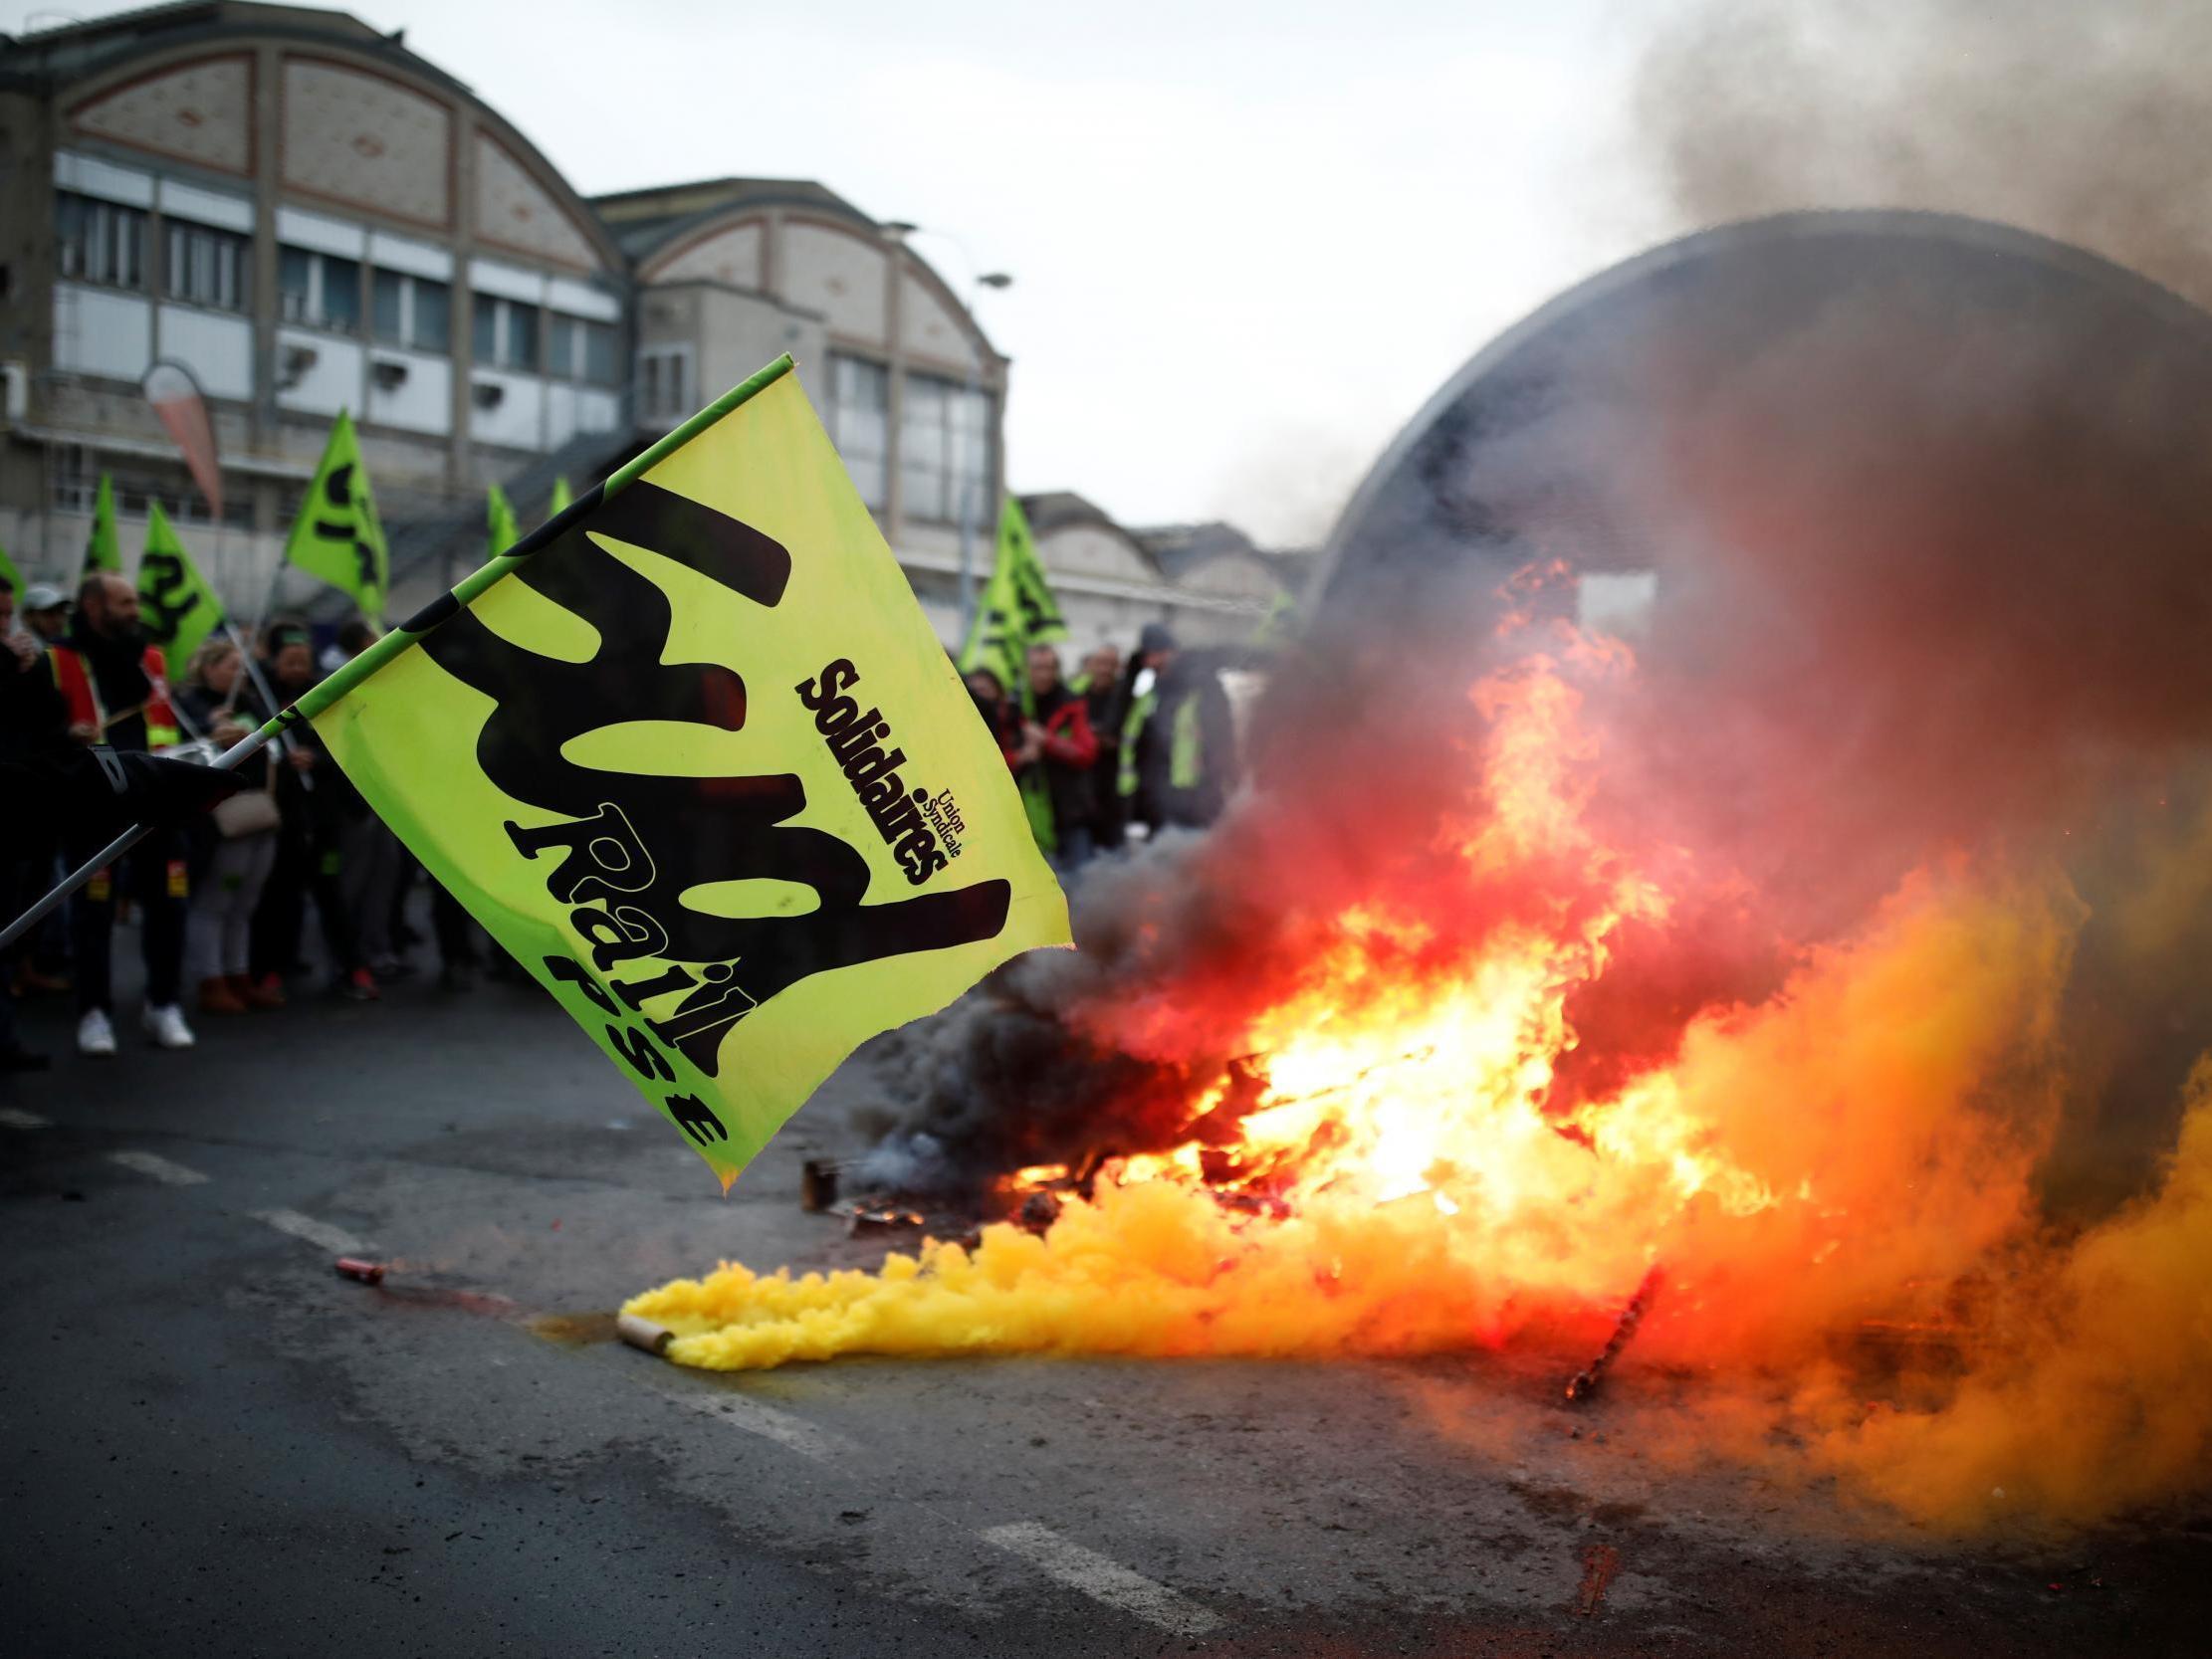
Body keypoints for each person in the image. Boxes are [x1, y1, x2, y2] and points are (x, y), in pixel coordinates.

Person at [47, 572, 201, 1054]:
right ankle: (93, 1013)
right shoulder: (58, 659)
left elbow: (165, 725)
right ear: (94, 608)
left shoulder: (150, 657)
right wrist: (65, 735)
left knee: (169, 905)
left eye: (135, 600)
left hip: (156, 796)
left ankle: (163, 1004)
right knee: (92, 914)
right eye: (125, 602)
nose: (136, 610)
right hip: (93, 803)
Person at [248, 623, 371, 1002]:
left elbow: (349, 747)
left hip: (322, 818)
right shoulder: (258, 698)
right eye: (290, 661)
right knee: (279, 897)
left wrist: (316, 759)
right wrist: (285, 762)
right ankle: (269, 970)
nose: (298, 667)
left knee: (331, 894)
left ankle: (352, 968)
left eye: (303, 660)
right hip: (282, 818)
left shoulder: (327, 694)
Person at [172, 636, 280, 1015]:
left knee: (244, 903)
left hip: (258, 814)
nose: (239, 674)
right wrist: (210, 728)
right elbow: (186, 749)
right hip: (221, 820)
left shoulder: (249, 701)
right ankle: (210, 979)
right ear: (208, 667)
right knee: (215, 901)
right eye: (231, 666)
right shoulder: (189, 703)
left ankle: (238, 974)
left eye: (241, 667)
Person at [1122, 623, 1238, 834]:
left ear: (1172, 652)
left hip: (1197, 799)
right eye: (1146, 657)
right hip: (1160, 798)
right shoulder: (1153, 693)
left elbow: (1222, 742)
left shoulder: (1205, 686)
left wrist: (1216, 790)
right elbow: (1144, 745)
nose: (1150, 662)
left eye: (1156, 654)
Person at [1018, 644, 1100, 874]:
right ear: (1026, 670)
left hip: (1070, 812)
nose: (1044, 674)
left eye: (1050, 667)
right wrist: (1021, 755)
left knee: (1082, 885)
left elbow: (1086, 753)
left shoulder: (1072, 703)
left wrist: (1047, 741)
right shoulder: (1015, 704)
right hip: (1027, 815)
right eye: (1038, 668)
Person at [1071, 644, 1127, 854]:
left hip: (1114, 791)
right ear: (1090, 665)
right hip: (1078, 791)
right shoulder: (1075, 694)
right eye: (1100, 663)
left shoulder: (1125, 698)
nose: (1105, 669)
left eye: (1110, 664)